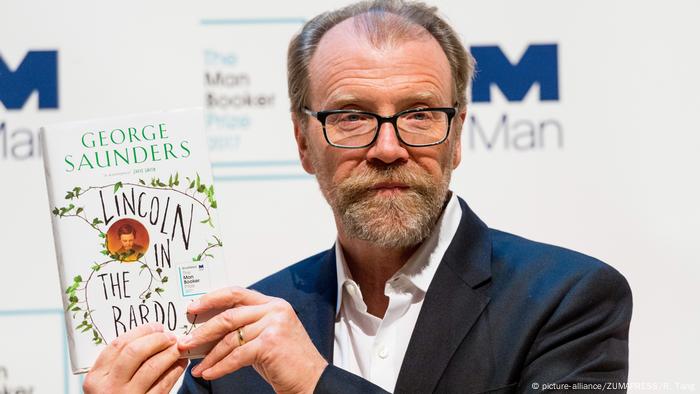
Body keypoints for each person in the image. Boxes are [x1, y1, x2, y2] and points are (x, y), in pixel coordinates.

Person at [83, 1, 633, 393]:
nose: (388, 147)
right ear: (304, 143)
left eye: (419, 114)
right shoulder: (236, 341)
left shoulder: (568, 300)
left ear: (458, 135)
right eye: (352, 116)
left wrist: (315, 383)